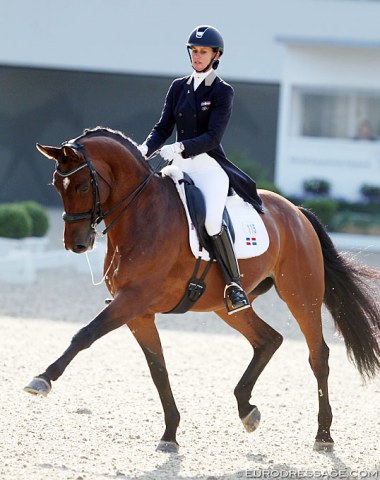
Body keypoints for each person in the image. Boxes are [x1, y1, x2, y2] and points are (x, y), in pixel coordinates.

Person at [138, 25, 263, 315]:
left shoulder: (222, 91)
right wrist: (144, 149)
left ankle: (234, 286)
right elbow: (163, 127)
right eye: (194, 51)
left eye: (203, 51)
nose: (197, 56)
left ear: (215, 55)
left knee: (210, 223)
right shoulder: (178, 87)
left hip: (208, 166)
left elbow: (213, 137)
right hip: (179, 166)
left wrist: (180, 148)